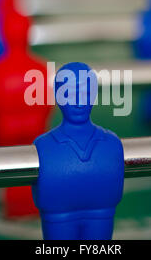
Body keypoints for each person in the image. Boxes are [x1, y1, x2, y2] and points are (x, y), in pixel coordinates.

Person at [32, 62, 124, 240]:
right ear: (58, 97)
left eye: (85, 93)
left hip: (99, 215)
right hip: (59, 218)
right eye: (70, 94)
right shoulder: (43, 147)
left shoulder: (111, 143)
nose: (79, 103)